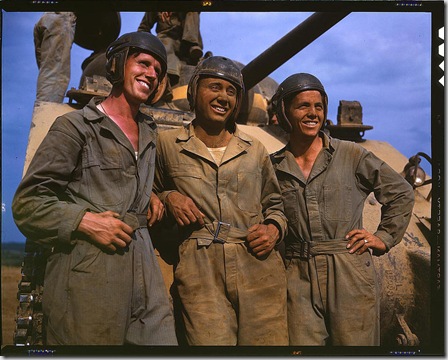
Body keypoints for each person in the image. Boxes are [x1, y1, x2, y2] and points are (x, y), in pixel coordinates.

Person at [12, 32, 178, 345]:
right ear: (117, 65)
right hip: (90, 269)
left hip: (144, 269)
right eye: (143, 63)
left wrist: (153, 194)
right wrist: (85, 221)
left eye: (158, 70)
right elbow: (28, 204)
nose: (153, 74)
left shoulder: (150, 131)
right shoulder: (76, 127)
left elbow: (129, 180)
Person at [270, 73, 415, 346]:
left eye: (318, 106)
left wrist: (383, 238)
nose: (313, 113)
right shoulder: (273, 166)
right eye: (303, 106)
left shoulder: (350, 154)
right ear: (284, 112)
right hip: (296, 275)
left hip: (348, 271)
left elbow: (401, 192)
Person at [153, 56, 289, 345]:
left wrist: (274, 229)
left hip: (258, 264)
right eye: (214, 87)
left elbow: (275, 205)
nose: (223, 97)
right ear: (194, 91)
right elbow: (144, 193)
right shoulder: (166, 144)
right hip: (200, 269)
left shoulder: (255, 149)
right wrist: (169, 196)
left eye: (231, 91)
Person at [138, 12, 203, 103]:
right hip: (166, 37)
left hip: (187, 43)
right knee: (165, 50)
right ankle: (164, 86)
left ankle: (192, 44)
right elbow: (143, 28)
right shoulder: (156, 5)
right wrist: (146, 44)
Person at [34, 12, 76, 102]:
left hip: (49, 18)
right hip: (62, 19)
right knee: (55, 75)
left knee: (48, 70)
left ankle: (43, 110)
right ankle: (46, 114)